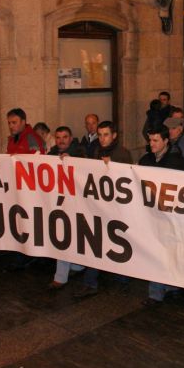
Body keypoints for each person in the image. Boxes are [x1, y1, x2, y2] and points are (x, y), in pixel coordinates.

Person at [73, 121, 132, 298]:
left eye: (106, 134)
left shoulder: (122, 153)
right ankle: (93, 282)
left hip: (116, 208)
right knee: (98, 242)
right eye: (100, 135)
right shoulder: (98, 151)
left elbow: (127, 177)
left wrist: (112, 165)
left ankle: (121, 277)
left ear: (114, 135)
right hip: (102, 206)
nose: (102, 138)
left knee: (114, 241)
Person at [139, 126, 184, 307]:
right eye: (150, 140)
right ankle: (156, 293)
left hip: (170, 216)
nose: (151, 144)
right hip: (152, 217)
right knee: (157, 253)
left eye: (155, 140)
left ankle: (170, 285)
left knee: (168, 253)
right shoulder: (145, 160)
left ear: (165, 141)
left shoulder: (177, 162)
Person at [3, 109, 45, 271]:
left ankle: (30, 256)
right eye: (9, 123)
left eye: (14, 122)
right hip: (18, 188)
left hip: (28, 189)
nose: (11, 126)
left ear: (23, 122)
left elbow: (38, 162)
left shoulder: (31, 138)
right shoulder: (13, 139)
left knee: (29, 222)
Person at [47, 126, 87, 290]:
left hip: (76, 202)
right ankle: (64, 274)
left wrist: (73, 161)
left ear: (71, 138)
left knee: (73, 235)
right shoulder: (50, 155)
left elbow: (87, 167)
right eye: (58, 137)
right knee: (63, 237)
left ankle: (73, 269)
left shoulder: (79, 152)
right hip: (58, 202)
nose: (61, 140)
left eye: (64, 137)